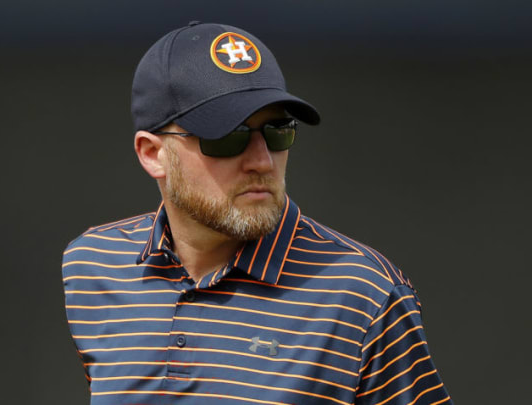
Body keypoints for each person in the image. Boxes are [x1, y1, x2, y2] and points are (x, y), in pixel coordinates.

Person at [62, 21, 452, 405]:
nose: (262, 161)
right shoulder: (93, 265)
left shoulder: (362, 294)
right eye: (227, 136)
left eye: (277, 130)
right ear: (153, 153)